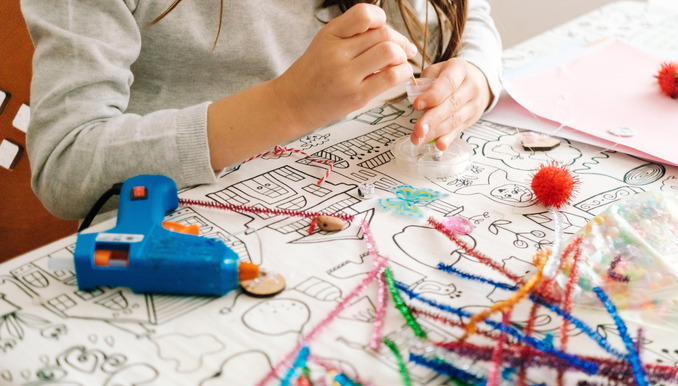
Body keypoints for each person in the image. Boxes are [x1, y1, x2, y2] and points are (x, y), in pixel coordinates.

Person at [21, 0, 502, 220]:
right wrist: (287, 105)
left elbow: (467, 11)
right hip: (176, 233)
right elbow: (65, 163)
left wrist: (476, 74)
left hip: (332, 208)